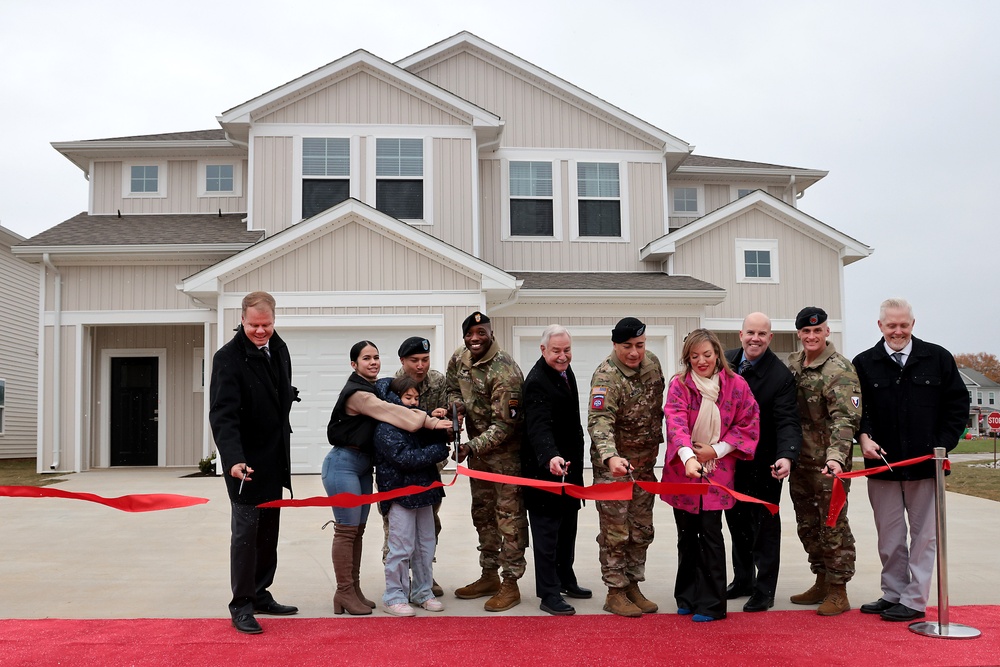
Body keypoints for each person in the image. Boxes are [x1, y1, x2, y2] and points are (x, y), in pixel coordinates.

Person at [852, 298, 968, 622]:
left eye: (904, 325)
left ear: (913, 324)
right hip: (882, 468)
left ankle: (915, 600)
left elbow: (957, 407)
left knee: (924, 537)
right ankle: (893, 593)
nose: (898, 331)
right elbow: (856, 410)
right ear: (880, 327)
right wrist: (863, 437)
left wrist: (941, 446)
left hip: (925, 468)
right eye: (892, 326)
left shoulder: (938, 359)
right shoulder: (863, 363)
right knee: (889, 538)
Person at [324, 340, 452, 616]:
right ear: (353, 364)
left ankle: (354, 590)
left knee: (357, 530)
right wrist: (431, 422)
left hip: (362, 465)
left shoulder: (377, 386)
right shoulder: (358, 393)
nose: (373, 362)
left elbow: (401, 394)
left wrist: (436, 414)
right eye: (366, 358)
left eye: (376, 357)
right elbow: (396, 413)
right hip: (343, 463)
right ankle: (346, 591)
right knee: (347, 530)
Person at [209, 291, 300, 635]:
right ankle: (242, 605)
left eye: (267, 324)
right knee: (246, 535)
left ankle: (261, 593)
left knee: (267, 533)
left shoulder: (279, 348)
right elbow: (223, 415)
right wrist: (233, 458)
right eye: (254, 325)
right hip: (244, 465)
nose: (261, 331)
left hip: (273, 459)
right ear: (242, 320)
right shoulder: (228, 359)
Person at [662, 328, 759, 622]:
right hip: (684, 469)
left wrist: (715, 450)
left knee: (710, 535)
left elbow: (748, 423)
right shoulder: (679, 385)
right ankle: (687, 595)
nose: (701, 361)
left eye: (707, 354)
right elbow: (675, 422)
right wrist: (689, 456)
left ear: (717, 353)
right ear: (687, 359)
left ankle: (712, 604)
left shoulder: (736, 385)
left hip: (719, 469)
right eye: (694, 357)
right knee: (686, 535)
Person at [446, 311, 528, 612]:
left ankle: (511, 583)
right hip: (479, 457)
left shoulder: (504, 370)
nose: (475, 338)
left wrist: (471, 446)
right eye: (470, 333)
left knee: (509, 520)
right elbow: (452, 386)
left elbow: (505, 426)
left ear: (490, 333)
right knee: (482, 514)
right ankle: (489, 575)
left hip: (505, 459)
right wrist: (455, 405)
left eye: (481, 332)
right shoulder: (461, 357)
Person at [723, 313, 802, 612]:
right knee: (736, 523)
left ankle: (764, 589)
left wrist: (787, 455)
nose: (755, 338)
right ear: (740, 334)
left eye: (762, 334)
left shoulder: (779, 375)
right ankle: (743, 579)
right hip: (729, 461)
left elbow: (787, 421)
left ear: (770, 338)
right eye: (750, 332)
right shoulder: (726, 362)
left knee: (764, 527)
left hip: (764, 463)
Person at [786, 306, 862, 616]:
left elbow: (845, 419)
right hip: (800, 462)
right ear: (800, 334)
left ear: (827, 332)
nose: (812, 336)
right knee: (807, 525)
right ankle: (821, 578)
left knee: (833, 525)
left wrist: (836, 459)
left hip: (830, 466)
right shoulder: (794, 365)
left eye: (818, 330)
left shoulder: (839, 369)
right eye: (806, 331)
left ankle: (838, 589)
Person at [588, 317, 666, 617]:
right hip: (615, 469)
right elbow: (599, 422)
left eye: (640, 345)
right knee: (615, 532)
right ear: (614, 345)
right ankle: (615, 591)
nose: (634, 353)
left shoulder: (652, 364)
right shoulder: (606, 377)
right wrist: (610, 457)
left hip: (645, 465)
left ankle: (633, 583)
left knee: (641, 529)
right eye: (627, 347)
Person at [521, 324, 589, 616]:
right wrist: (550, 456)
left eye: (567, 350)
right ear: (543, 350)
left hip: (569, 471)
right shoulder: (537, 381)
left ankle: (565, 578)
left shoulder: (565, 372)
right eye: (556, 351)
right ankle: (548, 593)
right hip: (545, 472)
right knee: (547, 535)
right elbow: (538, 426)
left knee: (567, 529)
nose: (563, 356)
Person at [373, 375, 452, 617]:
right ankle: (394, 595)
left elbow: (436, 439)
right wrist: (438, 450)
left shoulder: (419, 421)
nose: (413, 402)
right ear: (395, 399)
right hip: (400, 495)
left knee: (426, 544)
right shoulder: (385, 427)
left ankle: (422, 591)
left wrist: (438, 421)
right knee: (401, 546)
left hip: (425, 492)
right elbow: (405, 458)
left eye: (416, 397)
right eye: (408, 397)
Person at [392, 336, 449, 597]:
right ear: (403, 361)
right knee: (397, 529)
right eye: (414, 360)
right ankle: (398, 583)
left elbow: (446, 416)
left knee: (428, 524)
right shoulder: (393, 385)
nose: (420, 366)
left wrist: (441, 415)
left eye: (425, 360)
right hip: (399, 468)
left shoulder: (438, 381)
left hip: (430, 465)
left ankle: (425, 576)